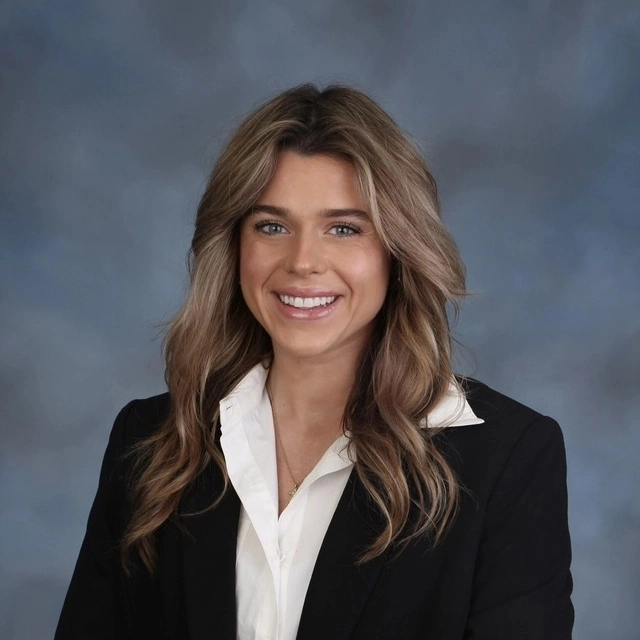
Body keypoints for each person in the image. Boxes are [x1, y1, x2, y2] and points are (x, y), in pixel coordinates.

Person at [55, 84, 574, 640]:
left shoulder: (507, 459)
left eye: (344, 228)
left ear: (398, 250)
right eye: (271, 226)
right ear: (233, 246)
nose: (303, 261)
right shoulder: (151, 442)